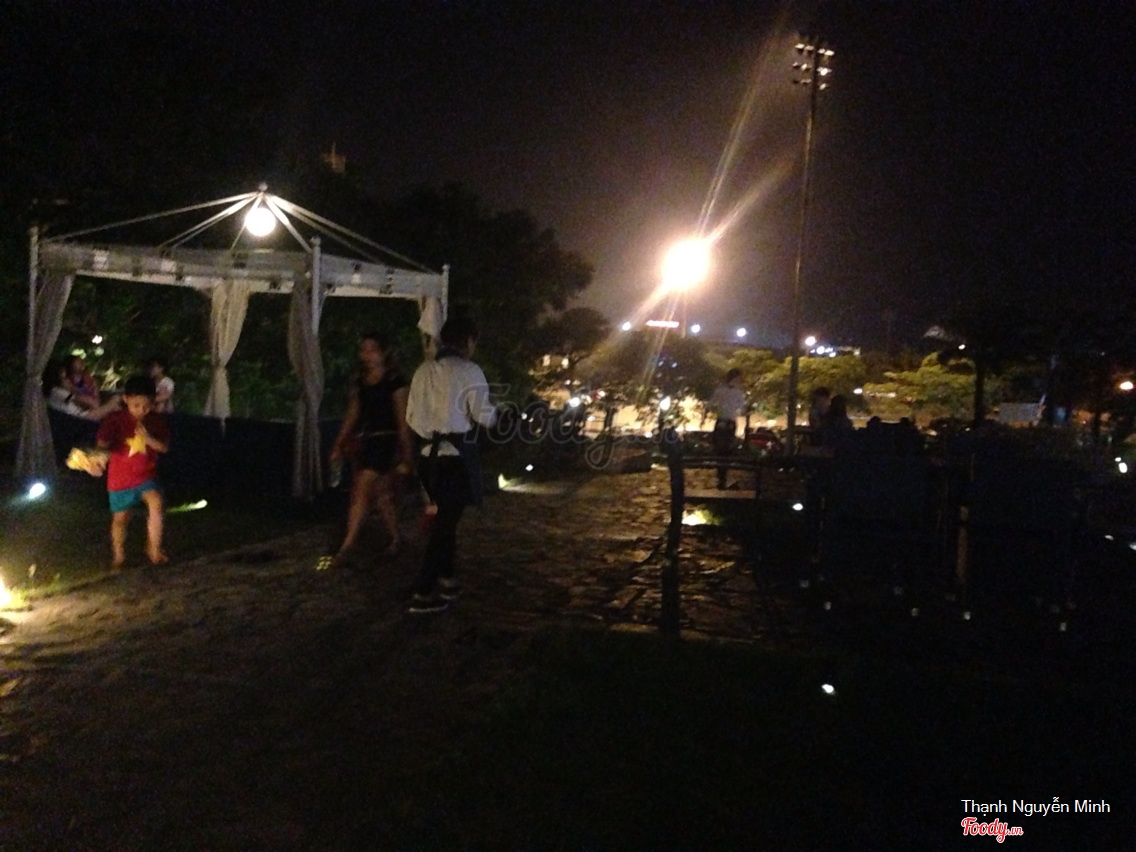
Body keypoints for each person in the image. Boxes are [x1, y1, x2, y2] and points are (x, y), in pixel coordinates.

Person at [404, 316, 497, 614]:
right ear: (469, 341)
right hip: (455, 459)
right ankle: (423, 591)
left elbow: (411, 417)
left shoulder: (423, 371)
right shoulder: (469, 371)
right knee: (444, 525)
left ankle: (447, 578)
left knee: (444, 521)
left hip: (426, 457)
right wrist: (497, 415)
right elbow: (484, 416)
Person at [329, 332, 413, 566]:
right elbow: (353, 414)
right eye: (363, 350)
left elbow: (402, 419)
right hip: (368, 440)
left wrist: (406, 451)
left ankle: (348, 545)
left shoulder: (395, 381)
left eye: (371, 350)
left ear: (384, 352)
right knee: (382, 495)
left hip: (387, 441)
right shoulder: (361, 381)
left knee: (362, 488)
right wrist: (340, 442)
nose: (366, 355)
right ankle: (396, 538)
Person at [93, 374, 171, 568]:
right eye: (136, 405)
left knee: (156, 502)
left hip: (145, 476)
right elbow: (102, 445)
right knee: (120, 519)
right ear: (126, 399)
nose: (141, 410)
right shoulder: (114, 420)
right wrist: (97, 462)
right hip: (120, 480)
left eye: (147, 406)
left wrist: (148, 439)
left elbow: (164, 447)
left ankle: (154, 549)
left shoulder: (155, 420)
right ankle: (119, 556)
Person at [708, 368, 747, 489]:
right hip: (730, 422)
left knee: (720, 451)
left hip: (721, 421)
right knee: (727, 451)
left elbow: (710, 406)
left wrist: (719, 410)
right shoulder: (738, 393)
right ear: (736, 378)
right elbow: (742, 409)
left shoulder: (720, 391)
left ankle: (721, 478)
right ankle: (723, 477)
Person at [44, 361, 122, 420]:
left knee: (115, 408)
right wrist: (73, 389)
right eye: (64, 378)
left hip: (82, 417)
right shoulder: (57, 392)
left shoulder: (51, 394)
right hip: (84, 419)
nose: (68, 380)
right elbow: (91, 404)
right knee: (115, 400)